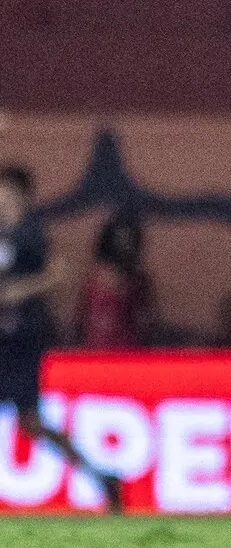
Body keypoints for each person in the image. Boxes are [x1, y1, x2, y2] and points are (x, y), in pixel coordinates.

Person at [0, 167, 123, 512]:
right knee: (32, 423)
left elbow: (58, 274)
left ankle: (101, 477)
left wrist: (19, 291)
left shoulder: (32, 234)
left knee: (32, 422)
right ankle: (103, 478)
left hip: (23, 339)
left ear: (22, 196)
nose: (1, 199)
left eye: (6, 193)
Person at [77, 213, 153, 349]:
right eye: (120, 240)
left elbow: (146, 321)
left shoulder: (138, 281)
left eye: (128, 241)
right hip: (96, 350)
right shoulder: (94, 278)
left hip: (126, 351)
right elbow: (82, 318)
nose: (124, 246)